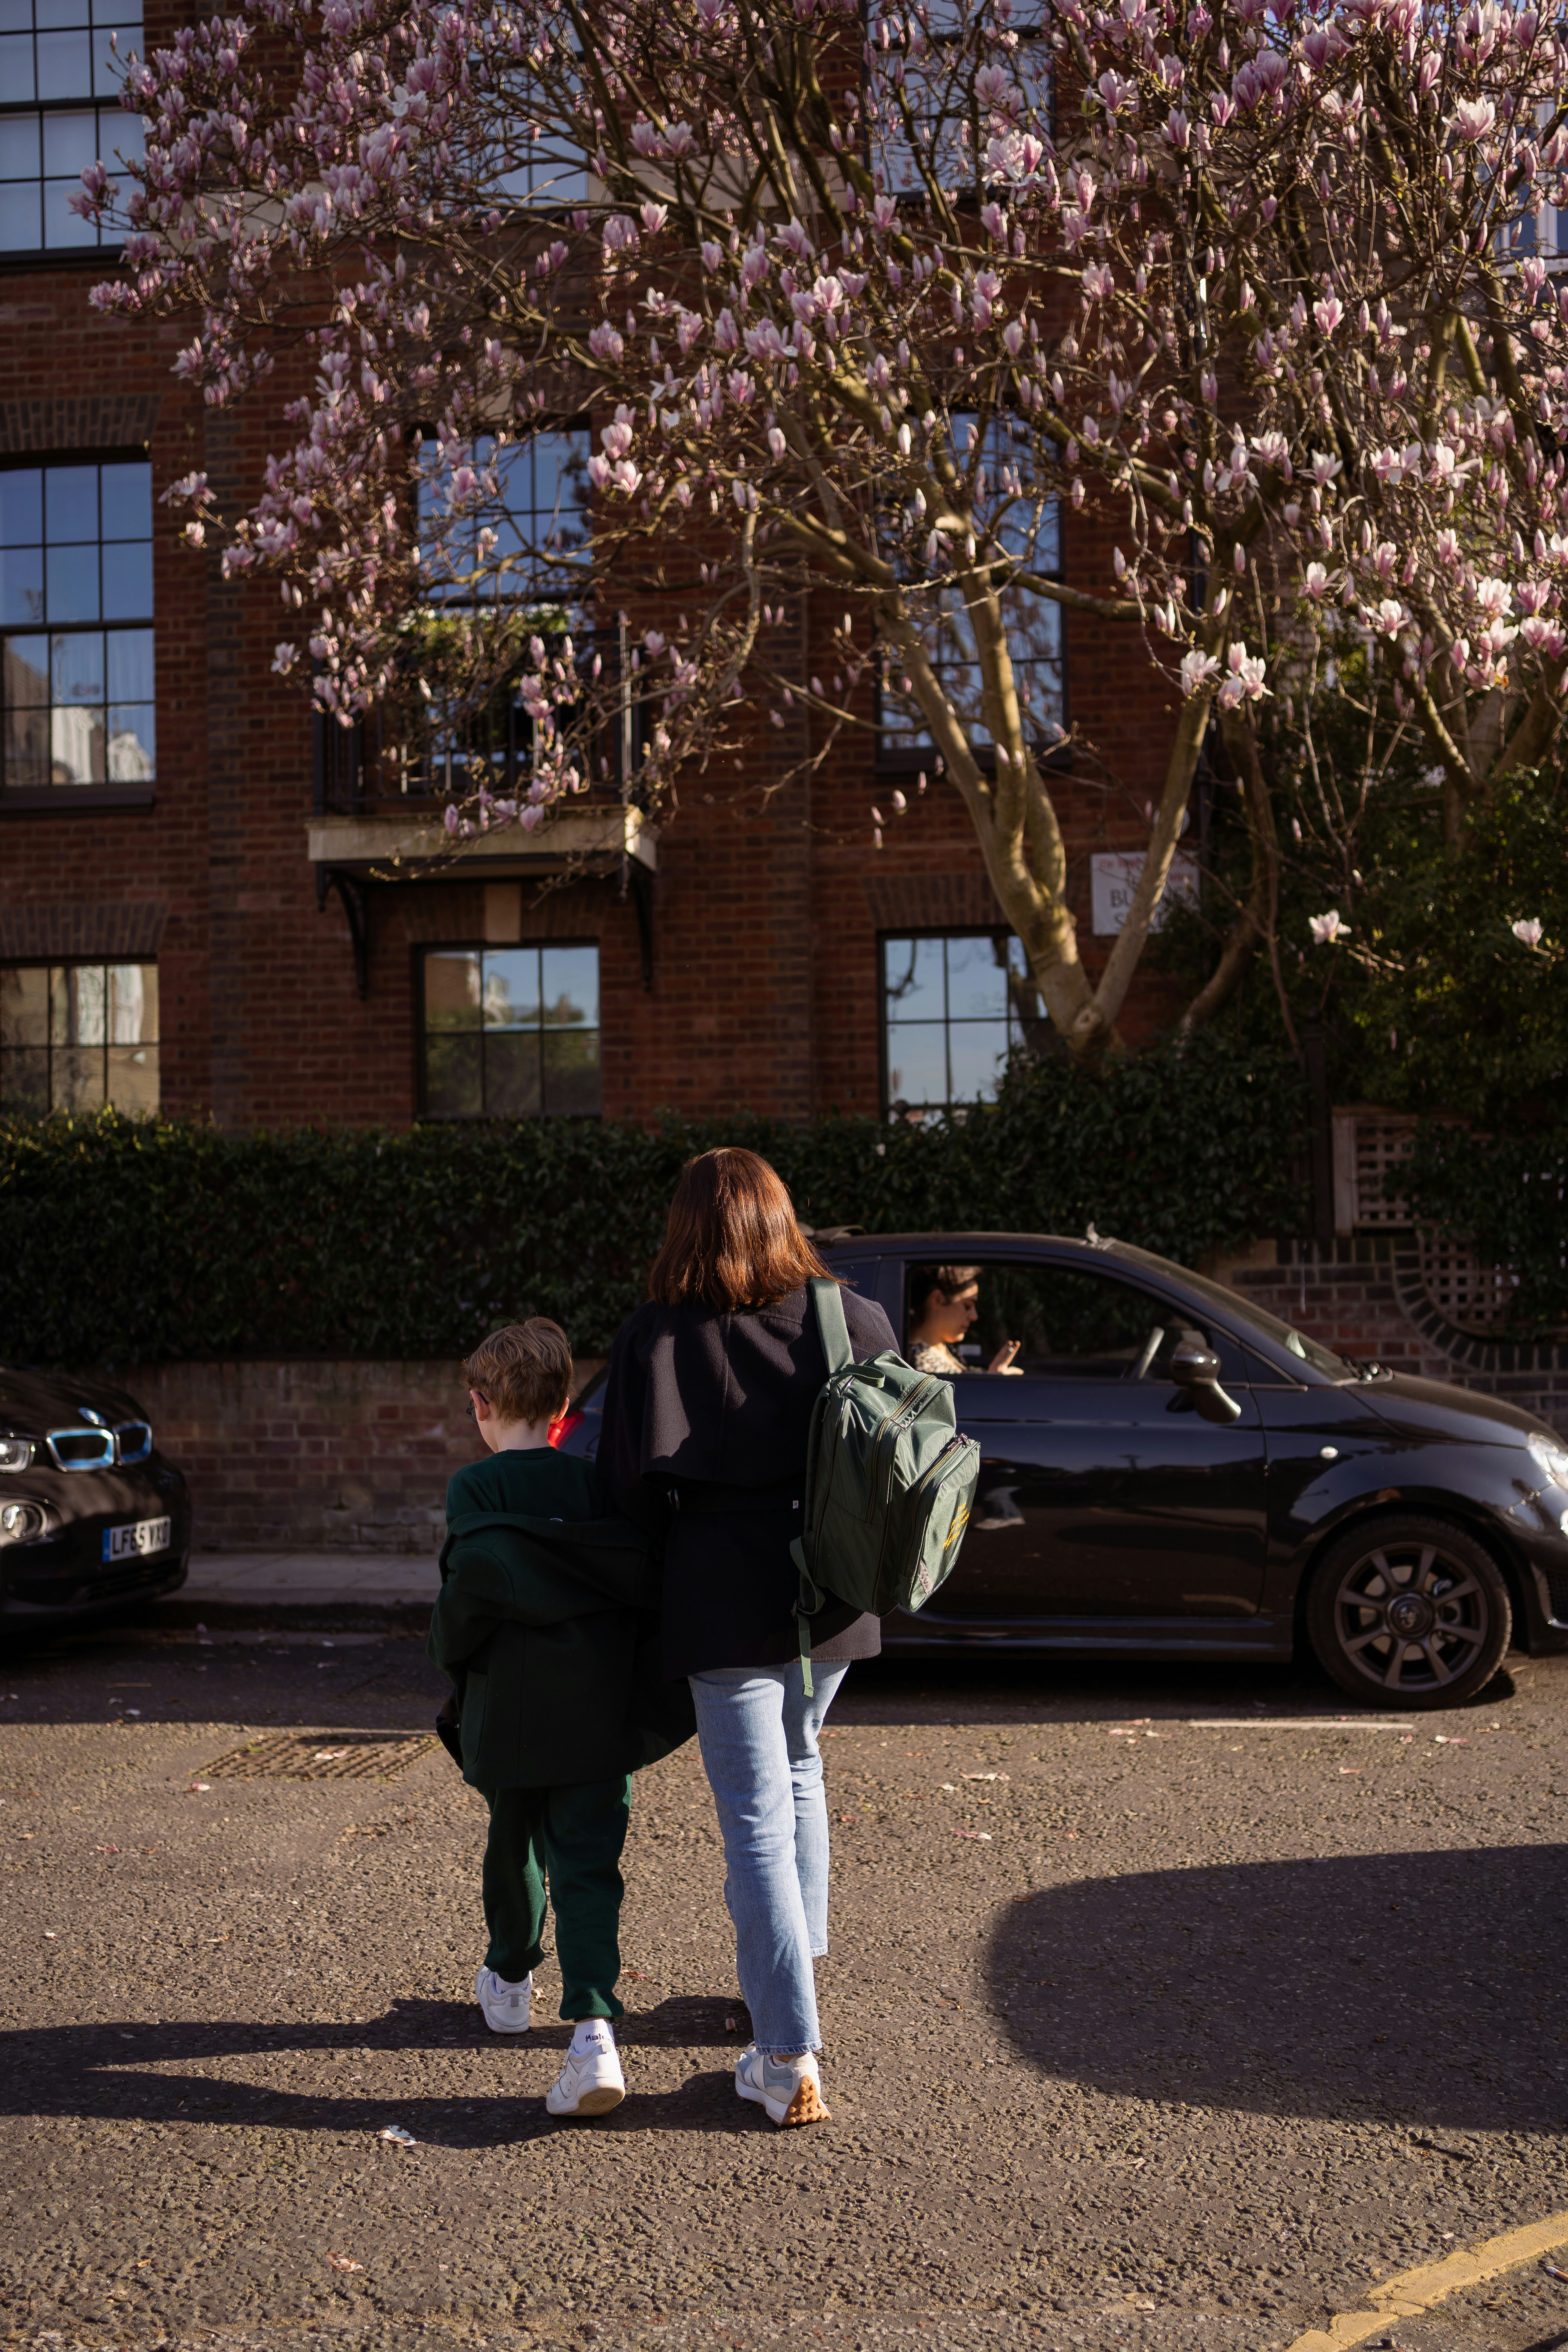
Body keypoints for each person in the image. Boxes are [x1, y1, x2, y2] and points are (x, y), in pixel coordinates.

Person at [597, 1147, 898, 2130]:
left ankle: (785, 2053)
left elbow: (623, 1496)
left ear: (684, 1227)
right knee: (801, 1766)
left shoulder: (656, 1335)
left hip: (720, 1599)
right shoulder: (848, 1318)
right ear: (781, 1217)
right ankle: (792, 1980)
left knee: (756, 1820)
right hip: (834, 1594)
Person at [428, 1318, 692, 2121]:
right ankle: (593, 2030)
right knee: (588, 1866)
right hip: (595, 1708)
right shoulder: (592, 1486)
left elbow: (462, 1607)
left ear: (478, 1405)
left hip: (506, 1712)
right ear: (564, 1408)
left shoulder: (472, 1491)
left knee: (511, 1848)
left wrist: (450, 1657)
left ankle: (509, 1979)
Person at [906, 1262, 1021, 1376]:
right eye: (967, 1306)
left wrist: (992, 1375)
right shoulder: (921, 1364)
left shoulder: (942, 1348)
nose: (974, 1317)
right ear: (938, 1300)